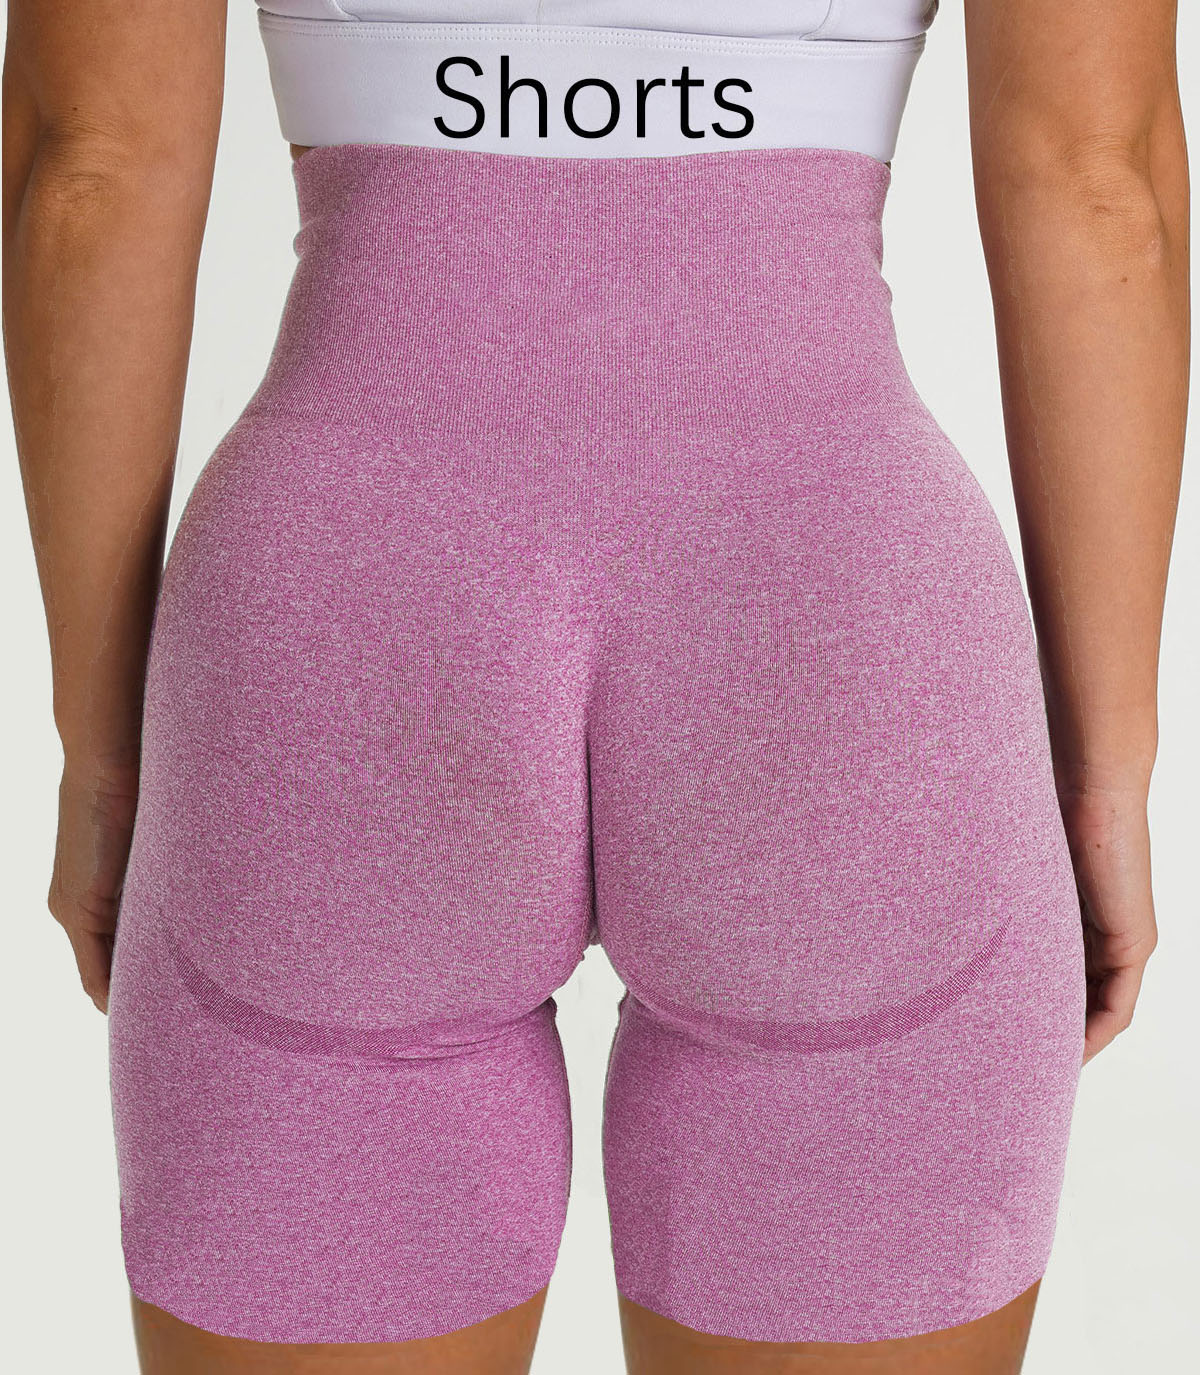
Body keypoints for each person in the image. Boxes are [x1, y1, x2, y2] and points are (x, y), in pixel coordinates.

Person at [4, 2, 1188, 1373]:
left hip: (339, 609)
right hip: (840, 616)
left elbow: (92, 166)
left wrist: (104, 753)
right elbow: (1095, 180)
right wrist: (1108, 771)